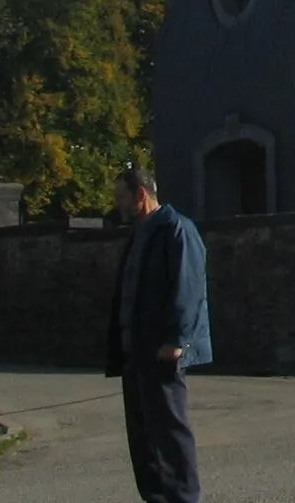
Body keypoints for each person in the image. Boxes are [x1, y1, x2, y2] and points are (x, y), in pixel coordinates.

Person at [106, 163, 211, 503]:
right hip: (135, 351)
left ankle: (183, 498)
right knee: (142, 435)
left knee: (169, 431)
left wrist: (177, 340)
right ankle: (156, 497)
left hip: (161, 352)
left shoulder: (176, 230)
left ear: (141, 194)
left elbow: (188, 287)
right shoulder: (140, 234)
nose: (118, 205)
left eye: (122, 197)